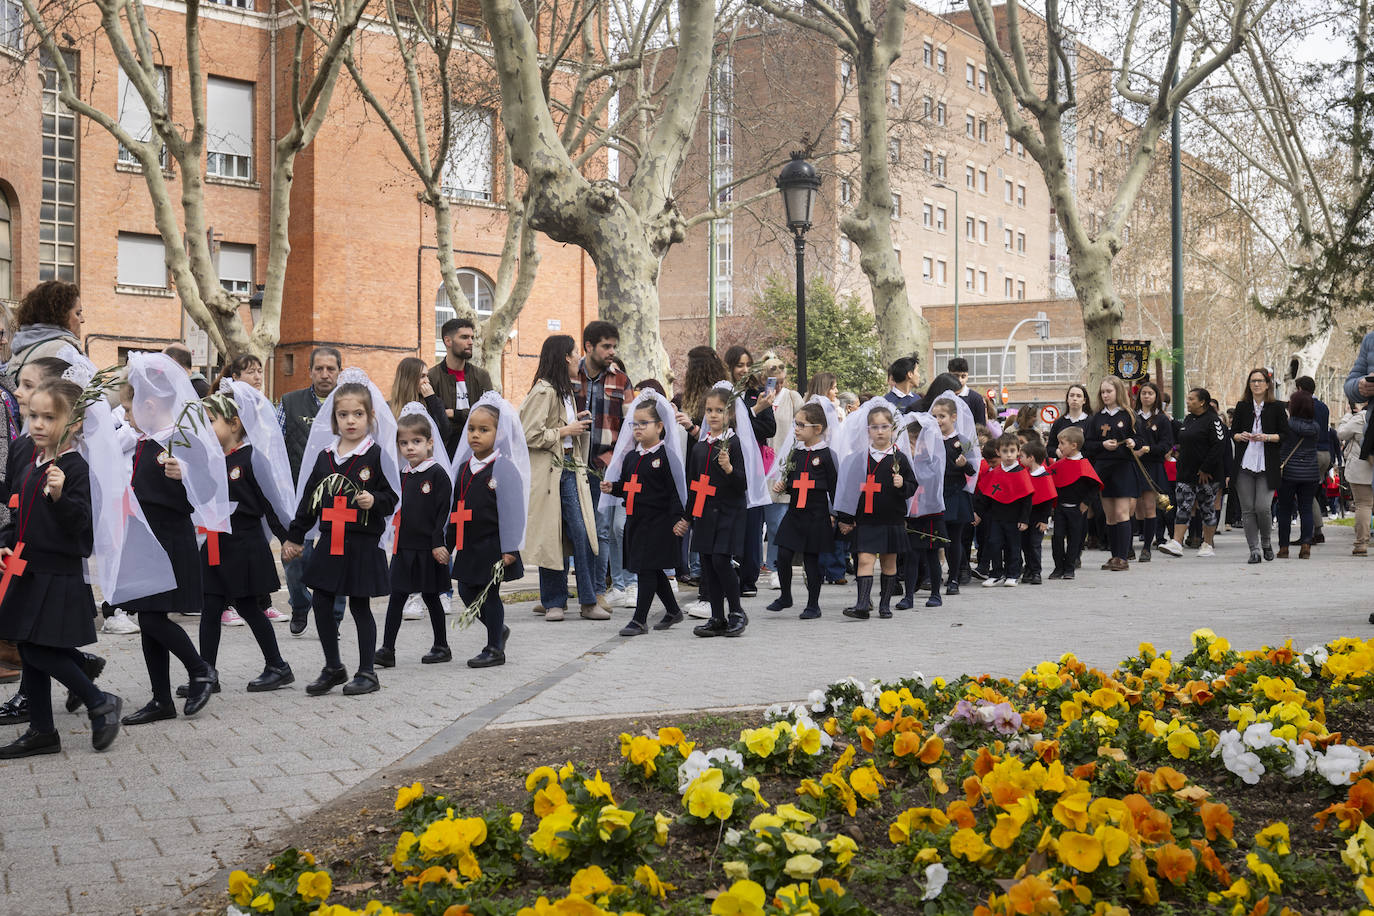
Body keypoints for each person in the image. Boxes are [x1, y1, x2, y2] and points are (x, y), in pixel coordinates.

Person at [0, 377, 123, 758]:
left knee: (38, 651)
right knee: (28, 645)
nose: (37, 424)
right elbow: (20, 515)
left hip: (57, 574)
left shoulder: (75, 470)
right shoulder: (33, 464)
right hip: (28, 571)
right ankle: (41, 730)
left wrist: (59, 496)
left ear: (75, 424)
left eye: (48, 417)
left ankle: (99, 700)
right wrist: (5, 542)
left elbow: (82, 531)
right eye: (32, 415)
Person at [119, 353, 231, 725]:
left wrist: (183, 474)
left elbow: (213, 484)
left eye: (130, 407)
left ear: (149, 403)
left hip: (169, 540)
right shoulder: (143, 441)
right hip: (146, 539)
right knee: (148, 618)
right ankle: (161, 699)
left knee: (152, 620)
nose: (127, 415)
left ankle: (200, 670)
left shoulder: (182, 440)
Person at [282, 370, 400, 697]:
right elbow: (308, 501)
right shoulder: (325, 458)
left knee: (359, 607)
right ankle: (333, 667)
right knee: (321, 602)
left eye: (358, 414)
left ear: (370, 417)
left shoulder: (374, 456)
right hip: (328, 543)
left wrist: (374, 500)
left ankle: (367, 672)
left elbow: (392, 497)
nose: (351, 421)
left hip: (362, 545)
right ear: (334, 419)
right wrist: (294, 537)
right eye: (343, 415)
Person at [184, 391, 293, 693]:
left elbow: (269, 502)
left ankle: (278, 666)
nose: (204, 430)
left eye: (209, 422)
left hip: (244, 544)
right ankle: (207, 675)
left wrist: (287, 538)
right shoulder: (212, 460)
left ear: (233, 423)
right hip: (216, 544)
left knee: (248, 606)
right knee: (210, 607)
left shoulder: (250, 458)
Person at [520, 335, 604, 623]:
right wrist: (566, 431)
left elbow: (554, 427)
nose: (579, 357)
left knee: (578, 534)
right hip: (554, 471)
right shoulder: (544, 391)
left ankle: (583, 600)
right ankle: (557, 601)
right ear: (565, 357)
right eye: (575, 352)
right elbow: (530, 434)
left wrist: (575, 422)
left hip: (569, 468)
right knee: (554, 535)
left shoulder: (564, 390)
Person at [601, 392, 688, 635]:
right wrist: (613, 488)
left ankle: (639, 619)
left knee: (648, 569)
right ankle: (673, 610)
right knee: (650, 568)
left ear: (660, 426)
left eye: (644, 424)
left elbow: (674, 491)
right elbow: (628, 487)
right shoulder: (631, 457)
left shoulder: (666, 457)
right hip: (636, 522)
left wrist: (680, 519)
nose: (638, 429)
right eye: (634, 424)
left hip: (660, 523)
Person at [450, 394, 527, 667]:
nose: (475, 435)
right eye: (471, 429)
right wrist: (446, 544)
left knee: (488, 594)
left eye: (484, 430)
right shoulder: (462, 468)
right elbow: (455, 507)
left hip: (494, 544)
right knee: (466, 592)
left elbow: (514, 510)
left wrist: (511, 547)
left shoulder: (504, 468)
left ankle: (495, 647)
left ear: (499, 433)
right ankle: (499, 629)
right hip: (469, 543)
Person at [376, 406, 454, 668]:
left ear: (430, 443)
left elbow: (444, 512)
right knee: (397, 596)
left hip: (428, 548)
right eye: (404, 443)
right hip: (404, 547)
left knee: (431, 597)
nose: (410, 448)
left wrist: (438, 543)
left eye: (417, 442)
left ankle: (441, 645)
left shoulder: (437, 475)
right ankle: (387, 649)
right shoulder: (401, 476)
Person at [278, 347, 344, 635]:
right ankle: (301, 605)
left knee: (337, 557)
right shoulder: (290, 402)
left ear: (339, 371)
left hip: (340, 498)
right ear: (310, 371)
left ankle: (334, 617)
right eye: (319, 368)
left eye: (331, 369)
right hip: (299, 496)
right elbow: (276, 448)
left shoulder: (350, 403)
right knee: (295, 556)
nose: (325, 374)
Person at [836, 400, 917, 619]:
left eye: (884, 427)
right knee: (864, 560)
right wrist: (846, 518)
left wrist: (903, 485)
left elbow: (912, 486)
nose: (880, 431)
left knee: (889, 562)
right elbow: (849, 491)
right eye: (875, 427)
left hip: (891, 519)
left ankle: (885, 605)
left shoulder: (899, 458)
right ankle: (862, 605)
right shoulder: (859, 459)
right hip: (867, 520)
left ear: (892, 429)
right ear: (868, 430)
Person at [575, 321, 631, 612]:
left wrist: (620, 465)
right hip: (571, 464)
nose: (612, 352)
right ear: (588, 346)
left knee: (600, 530)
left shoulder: (621, 379)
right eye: (606, 346)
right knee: (571, 530)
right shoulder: (570, 375)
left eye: (614, 346)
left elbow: (630, 426)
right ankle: (558, 594)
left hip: (604, 466)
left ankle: (597, 592)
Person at [687, 385, 751, 637]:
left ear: (731, 413)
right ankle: (717, 617)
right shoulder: (699, 447)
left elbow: (743, 483)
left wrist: (728, 469)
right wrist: (686, 516)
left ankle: (736, 611)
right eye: (709, 410)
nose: (713, 415)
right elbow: (694, 484)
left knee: (720, 560)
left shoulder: (734, 444)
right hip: (704, 513)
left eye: (719, 410)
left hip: (728, 512)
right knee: (707, 564)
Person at [764, 401, 837, 619]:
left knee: (811, 561)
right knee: (784, 555)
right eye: (795, 424)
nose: (795, 428)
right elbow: (792, 479)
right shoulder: (796, 453)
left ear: (817, 429)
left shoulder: (825, 455)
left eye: (801, 425)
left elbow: (834, 486)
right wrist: (782, 485)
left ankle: (813, 605)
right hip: (796, 513)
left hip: (816, 515)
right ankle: (786, 596)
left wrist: (836, 514)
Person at [722, 345, 777, 599]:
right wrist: (752, 414)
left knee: (753, 520)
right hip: (729, 463)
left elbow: (768, 429)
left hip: (753, 465)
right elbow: (726, 426)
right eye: (738, 365)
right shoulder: (724, 393)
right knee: (730, 517)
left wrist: (756, 411)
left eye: (747, 365)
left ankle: (749, 577)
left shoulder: (757, 393)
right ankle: (727, 571)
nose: (743, 370)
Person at [1159, 388, 1227, 559]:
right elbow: (1182, 441)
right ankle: (1176, 542)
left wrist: (1205, 468)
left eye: (1191, 399)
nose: (1187, 402)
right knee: (1183, 508)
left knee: (1207, 509)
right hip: (1185, 473)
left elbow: (1219, 446)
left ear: (1202, 402)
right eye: (1187, 398)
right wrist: (1174, 450)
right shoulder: (1188, 419)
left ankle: (1207, 543)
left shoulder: (1213, 421)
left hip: (1207, 475)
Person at [1232, 367, 1289, 565]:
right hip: (1244, 464)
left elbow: (1285, 435)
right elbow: (1234, 432)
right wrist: (1239, 436)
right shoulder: (1242, 406)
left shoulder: (1277, 407)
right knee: (1247, 510)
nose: (1256, 384)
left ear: (1267, 385)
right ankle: (1254, 550)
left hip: (1267, 464)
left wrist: (1267, 437)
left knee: (1263, 508)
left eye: (1259, 381)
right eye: (1252, 381)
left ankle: (1266, 543)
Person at [1085, 376, 1142, 571]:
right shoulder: (1096, 417)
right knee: (1109, 516)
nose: (1105, 395)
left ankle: (1123, 556)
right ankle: (1113, 556)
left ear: (1118, 392)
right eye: (1103, 392)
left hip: (1123, 467)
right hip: (1102, 468)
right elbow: (1088, 444)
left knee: (1121, 513)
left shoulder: (1129, 415)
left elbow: (1140, 438)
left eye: (1109, 391)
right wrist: (1102, 445)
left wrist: (1134, 443)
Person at [761, 355, 804, 591]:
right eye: (771, 379)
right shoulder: (761, 399)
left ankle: (777, 566)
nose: (776, 385)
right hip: (762, 466)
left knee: (779, 521)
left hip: (783, 464)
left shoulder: (792, 397)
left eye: (780, 379)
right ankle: (762, 564)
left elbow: (803, 424)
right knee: (764, 520)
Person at [929, 395, 977, 595]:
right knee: (934, 537)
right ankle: (931, 576)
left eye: (943, 416)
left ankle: (954, 578)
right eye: (935, 417)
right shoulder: (930, 439)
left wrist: (964, 464)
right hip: (934, 494)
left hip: (955, 493)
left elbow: (973, 469)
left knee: (953, 538)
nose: (939, 421)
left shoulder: (962, 441)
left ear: (954, 417)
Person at [974, 432, 1033, 587]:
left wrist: (1024, 519)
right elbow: (986, 496)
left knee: (1013, 546)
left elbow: (1027, 499)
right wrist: (978, 514)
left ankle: (1012, 574)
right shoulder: (995, 473)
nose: (1009, 455)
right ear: (998, 452)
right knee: (993, 544)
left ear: (1018, 451)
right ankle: (996, 573)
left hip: (1014, 518)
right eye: (1005, 452)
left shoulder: (1021, 473)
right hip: (996, 518)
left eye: (1012, 451)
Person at [427, 317, 493, 457]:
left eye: (472, 337)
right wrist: (467, 414)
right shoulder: (432, 377)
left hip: (477, 450)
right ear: (448, 341)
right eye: (464, 337)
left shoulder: (481, 376)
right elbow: (433, 419)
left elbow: (490, 414)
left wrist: (453, 413)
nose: (470, 342)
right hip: (444, 450)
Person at [4, 280, 83, 388]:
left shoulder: (23, 347)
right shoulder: (63, 350)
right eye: (78, 313)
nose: (82, 320)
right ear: (60, 315)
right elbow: (88, 400)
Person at [1048, 427, 1100, 580]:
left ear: (1074, 445)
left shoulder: (1084, 464)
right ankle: (1058, 567)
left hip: (1076, 510)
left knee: (1074, 539)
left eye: (1062, 443)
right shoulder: (1059, 464)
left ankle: (1070, 568)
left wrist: (1085, 503)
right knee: (1057, 538)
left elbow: (1095, 486)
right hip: (1060, 509)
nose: (1059, 447)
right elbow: (1049, 480)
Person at [1276, 388, 1321, 558]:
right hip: (1310, 472)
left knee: (1285, 510)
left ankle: (1284, 547)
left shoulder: (1287, 425)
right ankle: (1306, 545)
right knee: (1306, 509)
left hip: (1288, 472)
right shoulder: (1316, 427)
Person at [1131, 381, 1172, 563]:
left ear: (1156, 397)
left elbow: (1166, 445)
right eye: (1143, 393)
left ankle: (1147, 548)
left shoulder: (1161, 419)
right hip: (1132, 466)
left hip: (1152, 466)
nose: (1146, 396)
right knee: (1132, 509)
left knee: (1149, 507)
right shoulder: (1132, 416)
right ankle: (1127, 547)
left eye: (1150, 393)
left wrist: (1147, 449)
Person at [1294, 376, 1331, 545]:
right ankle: (1316, 529)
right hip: (1325, 453)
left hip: (1311, 453)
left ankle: (1316, 530)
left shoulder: (1305, 405)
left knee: (1306, 493)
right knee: (1313, 491)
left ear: (1300, 388)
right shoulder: (1323, 406)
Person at [389, 357, 452, 449]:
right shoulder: (390, 407)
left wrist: (432, 400)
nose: (427, 381)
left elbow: (445, 432)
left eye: (427, 376)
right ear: (409, 379)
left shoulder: (431, 403)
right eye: (422, 376)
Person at [1019, 438, 1055, 584]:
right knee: (1025, 545)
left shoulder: (1045, 476)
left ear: (1031, 458)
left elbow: (1048, 501)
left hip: (1038, 518)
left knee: (1034, 545)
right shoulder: (1024, 474)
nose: (1019, 459)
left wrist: (1044, 520)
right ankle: (1028, 568)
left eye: (1022, 456)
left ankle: (1036, 572)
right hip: (1025, 518)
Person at [1338, 400, 1371, 556]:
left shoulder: (1361, 418)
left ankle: (1361, 544)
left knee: (1363, 505)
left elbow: (1341, 433)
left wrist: (1347, 415)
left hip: (1361, 469)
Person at [946, 357, 988, 426]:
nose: (960, 380)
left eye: (963, 376)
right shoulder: (943, 396)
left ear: (967, 376)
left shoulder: (976, 399)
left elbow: (981, 428)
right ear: (949, 375)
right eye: (956, 376)